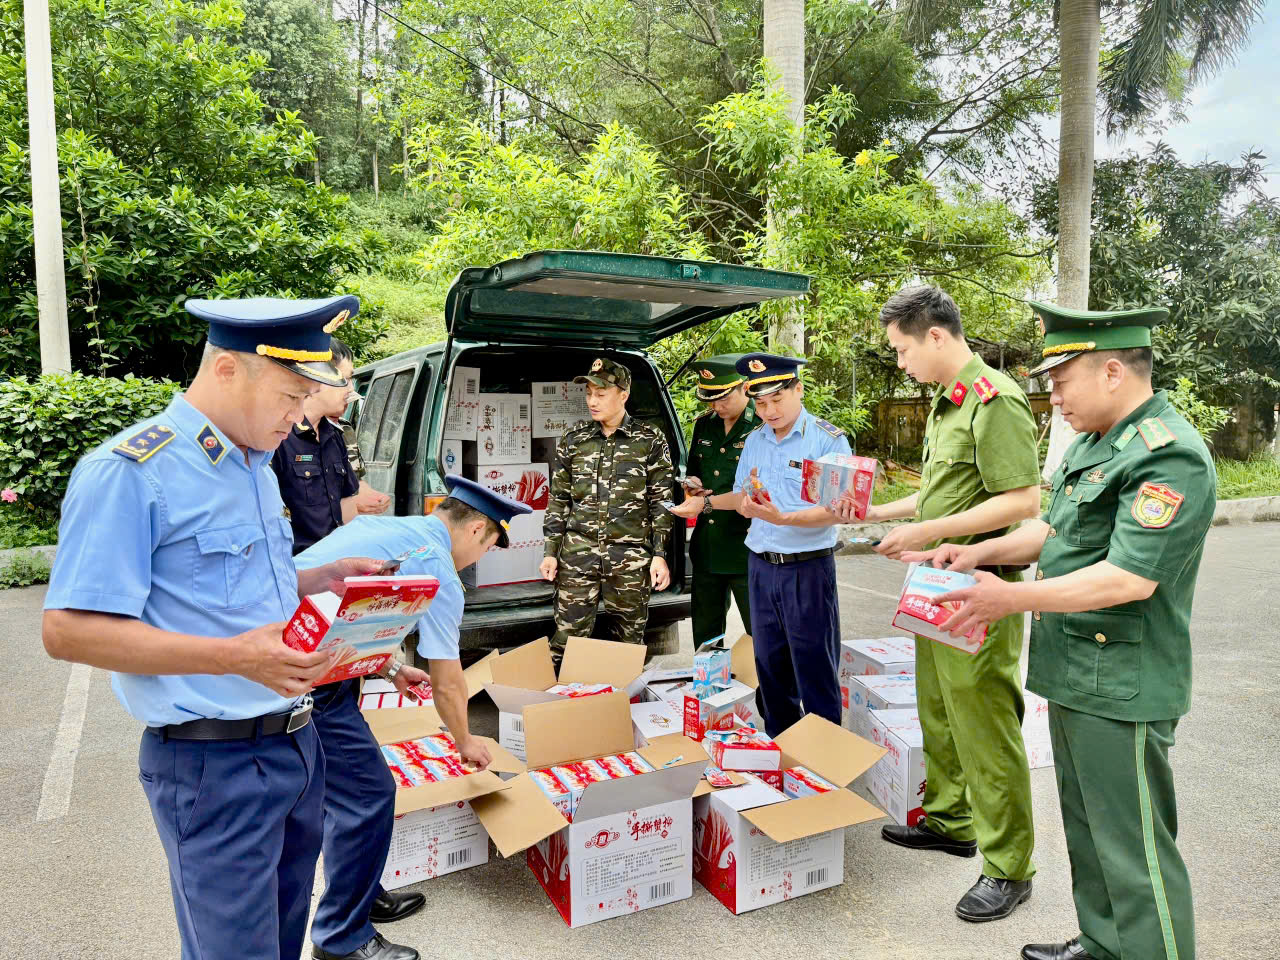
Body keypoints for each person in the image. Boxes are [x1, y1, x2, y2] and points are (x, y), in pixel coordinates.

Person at [41, 295, 385, 960]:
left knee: (283, 941)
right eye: (290, 393)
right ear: (228, 370)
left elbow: (241, 587)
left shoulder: (253, 464)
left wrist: (321, 577)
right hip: (212, 763)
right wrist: (233, 658)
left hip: (295, 744)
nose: (298, 413)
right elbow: (67, 630)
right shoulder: (132, 472)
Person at [906, 301, 1216, 960]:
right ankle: (1105, 944)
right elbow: (1051, 529)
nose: (1053, 399)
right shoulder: (1099, 444)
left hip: (1125, 682)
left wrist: (1009, 602)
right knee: (1089, 831)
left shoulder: (1169, 455)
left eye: (1060, 382)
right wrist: (976, 553)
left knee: (1133, 851)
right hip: (1077, 672)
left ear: (1111, 372)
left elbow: (1127, 580)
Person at [831, 285, 1042, 922]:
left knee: (984, 723)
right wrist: (874, 513)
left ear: (938, 337)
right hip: (935, 583)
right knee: (939, 709)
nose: (900, 363)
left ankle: (1009, 867)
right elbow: (940, 498)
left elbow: (1021, 503)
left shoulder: (993, 402)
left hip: (980, 586)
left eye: (901, 350)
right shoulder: (945, 405)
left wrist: (925, 532)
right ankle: (951, 820)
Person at [294, 475, 528, 960]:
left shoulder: (400, 530)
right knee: (367, 793)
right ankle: (342, 939)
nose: (478, 559)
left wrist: (391, 666)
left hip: (306, 657)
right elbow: (448, 680)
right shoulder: (438, 567)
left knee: (348, 793)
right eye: (487, 548)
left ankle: (360, 893)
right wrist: (466, 741)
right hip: (302, 677)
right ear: (477, 530)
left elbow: (358, 612)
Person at [674, 353, 848, 735]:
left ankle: (823, 756)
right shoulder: (756, 440)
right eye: (760, 402)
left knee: (813, 663)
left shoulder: (826, 441)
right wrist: (704, 503)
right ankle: (779, 745)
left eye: (776, 400)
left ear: (798, 389)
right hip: (761, 566)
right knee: (769, 665)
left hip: (807, 567)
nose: (768, 411)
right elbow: (741, 497)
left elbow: (836, 512)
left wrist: (783, 518)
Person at [539, 357, 674, 654]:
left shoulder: (649, 440)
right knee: (565, 645)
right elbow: (559, 499)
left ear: (623, 395)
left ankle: (620, 701)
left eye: (600, 394)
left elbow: (661, 503)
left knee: (628, 647)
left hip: (629, 559)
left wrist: (660, 555)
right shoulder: (574, 439)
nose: (592, 401)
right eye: (588, 394)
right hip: (578, 557)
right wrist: (550, 552)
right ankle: (564, 701)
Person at [273, 337, 390, 556]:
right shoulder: (278, 437)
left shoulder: (335, 436)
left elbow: (346, 504)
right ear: (316, 379)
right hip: (297, 568)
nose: (351, 389)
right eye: (345, 380)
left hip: (333, 564)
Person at [680, 355, 756, 644]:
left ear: (744, 388)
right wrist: (691, 485)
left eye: (723, 398)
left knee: (760, 634)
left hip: (747, 548)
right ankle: (709, 689)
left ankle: (763, 690)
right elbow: (694, 474)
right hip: (709, 547)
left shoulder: (762, 425)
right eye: (710, 399)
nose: (716, 406)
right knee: (706, 638)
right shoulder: (705, 425)